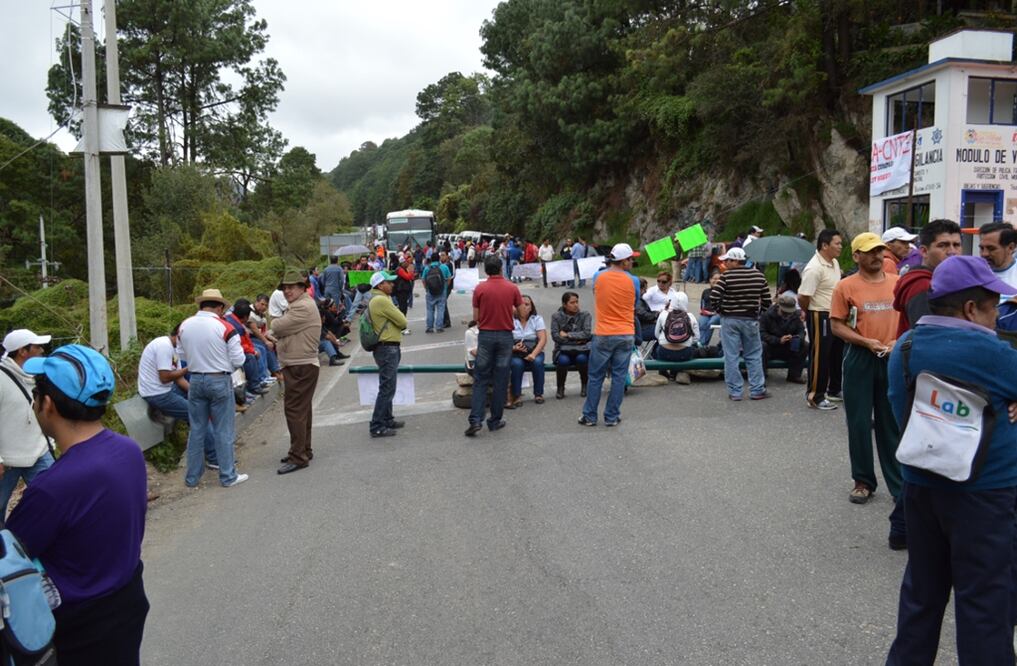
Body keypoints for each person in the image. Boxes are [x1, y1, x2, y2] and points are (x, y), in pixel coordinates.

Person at [886, 255, 1017, 662]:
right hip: (985, 494)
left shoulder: (904, 348)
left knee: (921, 595)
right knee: (985, 602)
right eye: (994, 305)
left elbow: (898, 411)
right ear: (971, 308)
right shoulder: (994, 354)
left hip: (921, 486)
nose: (998, 314)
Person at [8, 344, 147, 664]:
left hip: (81, 626)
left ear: (47, 404)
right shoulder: (127, 449)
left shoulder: (52, 488)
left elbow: (14, 554)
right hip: (128, 599)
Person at [830, 233, 905, 547]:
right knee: (859, 422)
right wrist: (864, 341)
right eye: (870, 252)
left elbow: (909, 319)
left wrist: (896, 343)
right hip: (861, 357)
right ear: (856, 256)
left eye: (879, 251)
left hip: (891, 356)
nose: (876, 256)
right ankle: (863, 481)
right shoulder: (845, 286)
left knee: (891, 423)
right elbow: (836, 325)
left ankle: (899, 486)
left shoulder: (897, 282)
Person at [177, 288, 248, 488]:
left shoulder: (185, 326)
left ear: (201, 305)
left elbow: (181, 356)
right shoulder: (225, 327)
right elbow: (238, 359)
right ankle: (228, 476)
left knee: (197, 429)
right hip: (219, 380)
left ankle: (192, 477)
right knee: (223, 430)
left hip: (196, 381)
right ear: (219, 307)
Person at [137, 323, 218, 468]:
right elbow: (165, 377)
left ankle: (201, 438)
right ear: (181, 336)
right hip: (157, 394)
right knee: (199, 414)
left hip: (166, 389)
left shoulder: (173, 348)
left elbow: (179, 379)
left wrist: (196, 393)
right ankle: (214, 458)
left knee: (197, 403)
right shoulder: (164, 346)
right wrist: (189, 367)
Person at [578, 243, 641, 427]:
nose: (632, 262)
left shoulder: (599, 276)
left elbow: (596, 293)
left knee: (596, 376)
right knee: (619, 376)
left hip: (604, 333)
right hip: (626, 333)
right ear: (623, 261)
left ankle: (589, 416)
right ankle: (612, 416)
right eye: (630, 259)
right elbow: (635, 303)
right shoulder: (634, 281)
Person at [0, 329, 54, 523]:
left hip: (38, 451)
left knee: (55, 499)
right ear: (23, 351)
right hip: (7, 460)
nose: (41, 350)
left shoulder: (34, 376)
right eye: (37, 346)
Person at [466, 255, 523, 437]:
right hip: (505, 337)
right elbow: (521, 312)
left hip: (486, 336)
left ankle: (476, 419)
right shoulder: (512, 288)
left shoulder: (480, 289)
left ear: (486, 270)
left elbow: (476, 317)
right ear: (501, 268)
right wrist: (509, 309)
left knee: (481, 378)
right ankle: (495, 420)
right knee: (501, 379)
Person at [273, 270, 323, 474]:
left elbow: (276, 326)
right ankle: (303, 449)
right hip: (299, 363)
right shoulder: (299, 305)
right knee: (302, 409)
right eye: (284, 288)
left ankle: (298, 456)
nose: (287, 291)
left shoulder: (302, 306)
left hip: (300, 365)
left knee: (294, 410)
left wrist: (274, 328)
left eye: (291, 287)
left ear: (302, 287)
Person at [710, 247, 771, 401]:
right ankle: (757, 389)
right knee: (754, 355)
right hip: (750, 320)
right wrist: (758, 313)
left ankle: (735, 391)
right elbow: (767, 300)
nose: (725, 264)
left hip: (730, 319)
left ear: (735, 260)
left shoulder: (726, 277)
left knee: (731, 356)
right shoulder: (758, 276)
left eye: (728, 261)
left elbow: (714, 297)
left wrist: (721, 311)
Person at [891, 219, 963, 336]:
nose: (952, 251)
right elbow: (926, 335)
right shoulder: (921, 285)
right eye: (943, 245)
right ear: (924, 251)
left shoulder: (945, 280)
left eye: (956, 245)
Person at [799, 229, 844, 411]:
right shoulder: (814, 268)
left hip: (835, 313)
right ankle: (815, 396)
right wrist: (811, 312)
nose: (841, 247)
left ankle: (834, 390)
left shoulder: (833, 262)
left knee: (836, 354)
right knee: (820, 356)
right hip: (820, 314)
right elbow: (803, 297)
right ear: (825, 245)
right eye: (837, 244)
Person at [367, 271, 407, 438]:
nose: (392, 284)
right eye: (388, 282)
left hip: (385, 348)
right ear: (379, 285)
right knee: (387, 388)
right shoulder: (381, 300)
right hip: (387, 348)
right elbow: (403, 322)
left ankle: (387, 418)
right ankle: (377, 424)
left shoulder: (378, 299)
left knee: (388, 385)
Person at [507, 295, 547, 407]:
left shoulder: (537, 319)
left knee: (537, 362)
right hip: (516, 351)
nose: (524, 307)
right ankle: (517, 395)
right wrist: (514, 348)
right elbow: (505, 339)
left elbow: (543, 339)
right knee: (516, 364)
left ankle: (538, 394)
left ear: (531, 307)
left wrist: (533, 354)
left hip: (534, 349)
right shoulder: (510, 320)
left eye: (527, 304)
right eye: (521, 304)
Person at [758, 293, 807, 384]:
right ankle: (761, 377)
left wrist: (797, 338)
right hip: (771, 347)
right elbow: (762, 333)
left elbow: (801, 331)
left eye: (789, 312)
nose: (787, 315)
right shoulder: (767, 315)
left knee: (804, 345)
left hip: (789, 346)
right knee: (762, 345)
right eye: (784, 312)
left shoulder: (796, 316)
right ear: (778, 307)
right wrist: (778, 340)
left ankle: (794, 375)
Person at [550, 291, 591, 400]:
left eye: (577, 302)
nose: (576, 305)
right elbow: (555, 336)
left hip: (581, 349)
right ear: (564, 304)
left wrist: (568, 335)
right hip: (563, 350)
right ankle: (560, 387)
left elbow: (587, 334)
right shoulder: (556, 316)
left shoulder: (585, 315)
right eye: (572, 303)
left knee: (582, 359)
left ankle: (585, 385)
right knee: (563, 361)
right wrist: (578, 339)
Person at [653, 291, 700, 383]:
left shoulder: (663, 314)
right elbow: (697, 338)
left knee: (658, 348)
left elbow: (656, 335)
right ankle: (677, 373)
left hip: (664, 353)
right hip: (684, 354)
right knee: (693, 348)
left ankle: (663, 372)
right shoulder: (691, 316)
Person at [978, 221, 1017, 295]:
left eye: (991, 248)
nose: (984, 254)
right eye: (981, 248)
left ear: (1011, 248)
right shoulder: (972, 274)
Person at [423, 256, 452, 333]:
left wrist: (426, 289)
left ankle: (429, 327)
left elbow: (423, 280)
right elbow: (449, 278)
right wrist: (445, 287)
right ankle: (439, 327)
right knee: (440, 309)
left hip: (430, 292)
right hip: (442, 291)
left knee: (430, 310)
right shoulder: (444, 267)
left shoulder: (427, 268)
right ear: (439, 259)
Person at [698, 271, 722, 346]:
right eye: (714, 278)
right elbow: (702, 306)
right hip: (706, 313)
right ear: (710, 280)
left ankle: (702, 343)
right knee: (702, 323)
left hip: (718, 314)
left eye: (718, 279)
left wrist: (715, 312)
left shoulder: (724, 292)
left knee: (711, 322)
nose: (716, 281)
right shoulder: (705, 291)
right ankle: (702, 345)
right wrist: (704, 312)